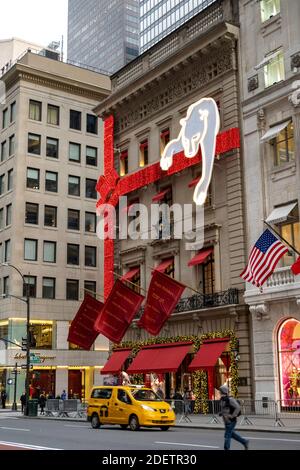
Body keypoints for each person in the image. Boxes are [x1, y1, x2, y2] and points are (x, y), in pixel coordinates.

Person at [219, 384, 249, 451]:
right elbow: (225, 409)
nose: (219, 392)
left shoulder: (230, 399)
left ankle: (226, 448)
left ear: (223, 391)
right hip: (226, 421)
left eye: (220, 391)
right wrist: (221, 413)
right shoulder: (223, 399)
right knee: (231, 434)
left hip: (231, 421)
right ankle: (244, 442)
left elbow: (238, 407)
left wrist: (232, 415)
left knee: (227, 435)